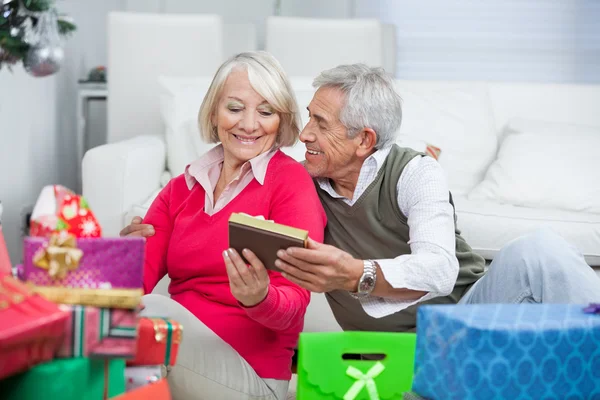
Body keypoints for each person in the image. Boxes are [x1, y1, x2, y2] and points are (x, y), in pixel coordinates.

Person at [123, 63, 600, 336]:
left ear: (364, 140)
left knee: (540, 250)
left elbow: (438, 269)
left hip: (467, 318)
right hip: (397, 350)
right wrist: (142, 217)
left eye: (320, 125)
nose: (303, 134)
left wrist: (358, 274)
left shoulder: (416, 173)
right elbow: (219, 183)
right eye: (307, 118)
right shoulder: (300, 180)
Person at [131, 51, 326, 400]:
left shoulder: (291, 183)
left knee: (153, 315)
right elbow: (131, 288)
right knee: (128, 314)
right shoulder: (182, 187)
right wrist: (123, 256)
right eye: (235, 108)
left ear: (281, 120)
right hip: (182, 363)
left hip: (253, 379)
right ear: (214, 112)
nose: (249, 125)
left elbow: (295, 304)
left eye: (265, 112)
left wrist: (260, 298)